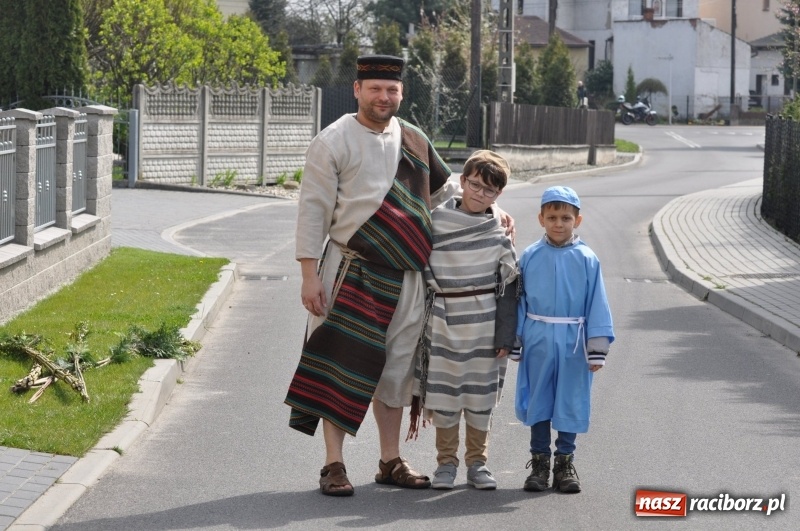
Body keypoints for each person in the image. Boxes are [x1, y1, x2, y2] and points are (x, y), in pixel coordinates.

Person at [284, 55, 514, 497]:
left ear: (401, 94)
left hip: (408, 277)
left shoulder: (414, 138)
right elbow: (312, 212)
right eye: (375, 89)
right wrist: (309, 275)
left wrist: (496, 209)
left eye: (391, 90)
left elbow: (449, 192)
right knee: (338, 366)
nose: (384, 97)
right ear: (357, 90)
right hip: (349, 270)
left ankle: (390, 460)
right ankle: (334, 464)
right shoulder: (332, 141)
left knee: (397, 373)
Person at [411, 150, 518, 491]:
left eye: (489, 191)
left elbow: (510, 284)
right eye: (474, 185)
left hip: (485, 326)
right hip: (442, 321)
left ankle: (478, 463)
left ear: (498, 195)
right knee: (443, 396)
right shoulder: (435, 221)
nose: (479, 194)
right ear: (462, 181)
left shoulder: (497, 230)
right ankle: (445, 463)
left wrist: (505, 336)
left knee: (479, 398)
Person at [514, 186, 614, 493]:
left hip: (574, 341)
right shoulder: (529, 257)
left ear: (578, 221)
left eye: (566, 217)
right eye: (553, 217)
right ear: (541, 219)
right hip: (539, 338)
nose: (559, 223)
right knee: (539, 399)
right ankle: (540, 463)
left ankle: (565, 463)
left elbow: (597, 302)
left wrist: (596, 348)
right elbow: (519, 302)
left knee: (570, 399)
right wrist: (516, 339)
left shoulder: (587, 259)